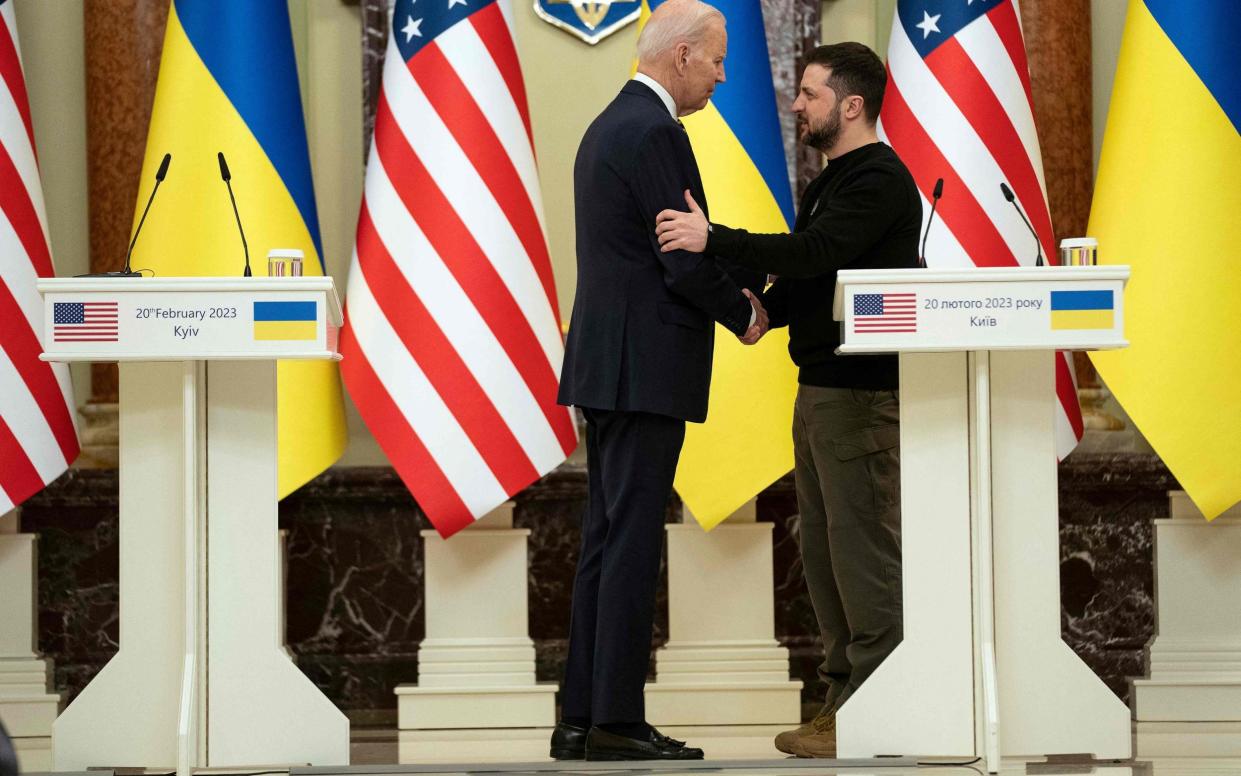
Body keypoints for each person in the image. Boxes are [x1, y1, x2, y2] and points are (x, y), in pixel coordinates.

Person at [655, 41, 921, 758]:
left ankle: (875, 705)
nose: (796, 104)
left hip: (862, 398)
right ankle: (841, 700)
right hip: (823, 389)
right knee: (828, 556)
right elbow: (814, 274)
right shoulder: (834, 177)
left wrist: (714, 241)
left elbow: (813, 253)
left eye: (807, 93)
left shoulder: (877, 180)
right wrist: (765, 311)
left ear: (851, 104)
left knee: (861, 558)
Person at [551, 0, 768, 762]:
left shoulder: (610, 123)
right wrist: (742, 311)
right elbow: (680, 255)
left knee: (604, 540)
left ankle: (580, 716)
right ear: (680, 56)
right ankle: (615, 719)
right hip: (644, 365)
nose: (720, 72)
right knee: (630, 539)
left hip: (609, 363)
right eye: (715, 58)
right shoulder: (656, 132)